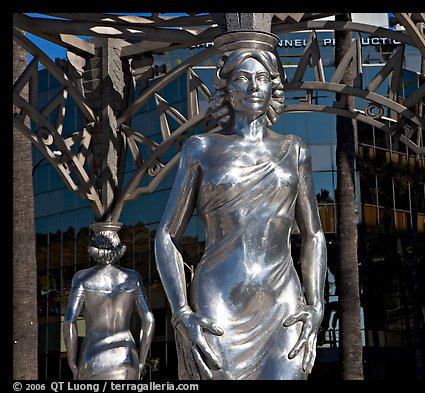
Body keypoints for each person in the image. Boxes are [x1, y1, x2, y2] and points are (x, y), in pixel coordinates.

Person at [154, 30, 327, 380]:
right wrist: (181, 310)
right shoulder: (200, 148)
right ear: (227, 90)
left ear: (272, 87)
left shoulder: (294, 150)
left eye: (262, 78)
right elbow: (167, 234)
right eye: (243, 79)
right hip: (218, 296)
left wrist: (317, 304)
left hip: (282, 297)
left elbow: (314, 234)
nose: (253, 87)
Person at [63, 223, 155, 380]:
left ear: (93, 249)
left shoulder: (82, 278)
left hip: (93, 356)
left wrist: (72, 363)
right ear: (118, 249)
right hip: (126, 355)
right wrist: (141, 361)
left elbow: (69, 322)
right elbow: (149, 320)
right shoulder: (132, 278)